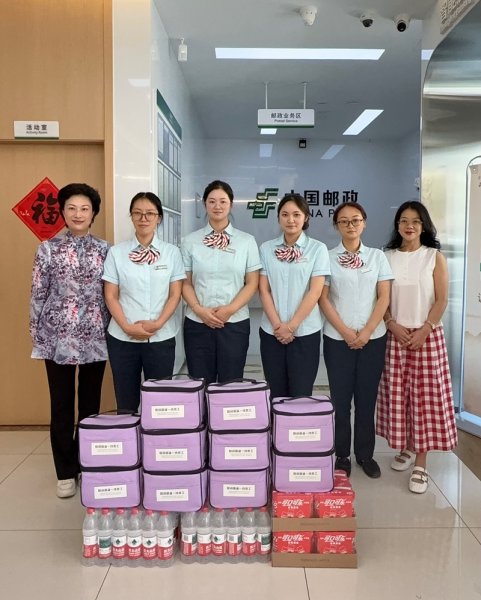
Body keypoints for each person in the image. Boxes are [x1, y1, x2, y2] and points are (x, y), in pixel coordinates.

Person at [30, 183, 110, 498]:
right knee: (61, 404)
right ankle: (65, 471)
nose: (78, 214)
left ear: (93, 213)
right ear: (63, 212)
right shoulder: (47, 248)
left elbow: (111, 294)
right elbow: (38, 293)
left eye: (84, 209)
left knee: (90, 405)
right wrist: (37, 335)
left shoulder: (105, 249)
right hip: (57, 338)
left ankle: (86, 463)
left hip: (95, 336)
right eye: (72, 208)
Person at [377, 200, 458, 493]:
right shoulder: (386, 257)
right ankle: (408, 447)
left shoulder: (434, 256)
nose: (409, 226)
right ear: (397, 225)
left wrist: (426, 329)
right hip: (396, 335)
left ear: (424, 226)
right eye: (404, 220)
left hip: (427, 335)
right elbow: (381, 298)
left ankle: (421, 463)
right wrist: (390, 323)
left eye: (415, 221)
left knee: (425, 400)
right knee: (400, 397)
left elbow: (442, 299)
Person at [319, 202, 393, 479]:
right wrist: (347, 332)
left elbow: (384, 297)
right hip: (337, 339)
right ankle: (342, 455)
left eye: (356, 220)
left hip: (373, 339)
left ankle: (365, 454)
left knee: (366, 399)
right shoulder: (327, 257)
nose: (350, 225)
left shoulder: (377, 257)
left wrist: (366, 332)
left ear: (364, 222)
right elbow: (323, 298)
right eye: (344, 221)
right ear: (336, 225)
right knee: (340, 401)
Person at [103, 192, 185, 410]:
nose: (143, 218)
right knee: (126, 401)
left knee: (159, 402)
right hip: (122, 337)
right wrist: (126, 326)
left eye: (150, 213)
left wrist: (158, 324)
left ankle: (156, 435)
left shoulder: (171, 253)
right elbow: (110, 295)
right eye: (137, 213)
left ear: (159, 218)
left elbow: (175, 295)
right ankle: (129, 432)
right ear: (131, 216)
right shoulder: (116, 253)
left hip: (160, 337)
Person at [181, 180, 261, 384]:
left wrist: (229, 310)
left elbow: (252, 282)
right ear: (205, 204)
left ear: (231, 204)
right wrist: (199, 310)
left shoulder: (246, 241)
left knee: (230, 384)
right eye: (212, 201)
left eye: (223, 201)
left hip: (234, 323)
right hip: (198, 322)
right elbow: (185, 282)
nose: (217, 206)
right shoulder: (190, 241)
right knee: (200, 382)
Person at [259, 193, 329, 398]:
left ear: (306, 217)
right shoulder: (266, 248)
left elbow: (315, 291)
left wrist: (291, 326)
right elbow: (264, 289)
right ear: (278, 218)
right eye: (285, 214)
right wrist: (278, 326)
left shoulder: (317, 249)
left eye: (296, 214)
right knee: (275, 393)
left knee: (301, 393)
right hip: (272, 332)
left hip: (305, 333)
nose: (290, 220)